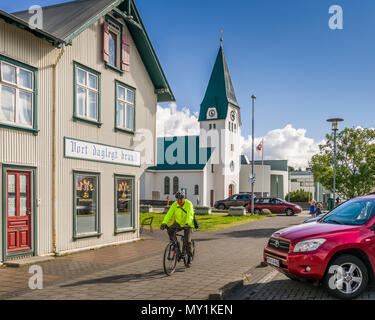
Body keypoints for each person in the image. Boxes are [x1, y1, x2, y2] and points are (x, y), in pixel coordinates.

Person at [160, 190, 195, 266]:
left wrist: (187, 223)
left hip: (188, 224)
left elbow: (190, 215)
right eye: (177, 199)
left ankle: (190, 256)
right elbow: (169, 214)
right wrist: (164, 223)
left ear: (184, 198)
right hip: (178, 223)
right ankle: (174, 243)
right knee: (169, 230)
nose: (179, 201)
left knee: (187, 241)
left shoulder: (189, 204)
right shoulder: (174, 204)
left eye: (180, 199)